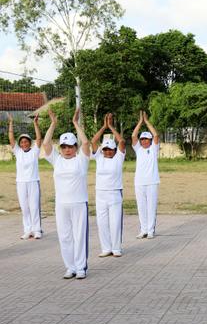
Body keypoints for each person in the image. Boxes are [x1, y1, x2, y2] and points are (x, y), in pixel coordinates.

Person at [43, 108, 90, 279]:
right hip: (61, 204)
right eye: (64, 147)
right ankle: (70, 267)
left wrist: (75, 124)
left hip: (79, 203)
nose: (67, 150)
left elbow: (86, 144)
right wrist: (53, 124)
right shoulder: (57, 160)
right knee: (64, 236)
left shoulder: (81, 160)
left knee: (79, 236)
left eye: (70, 146)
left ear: (75, 147)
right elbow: (46, 144)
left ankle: (81, 267)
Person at [90, 113, 126, 258]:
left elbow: (122, 141)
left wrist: (111, 127)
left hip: (115, 193)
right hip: (100, 194)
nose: (108, 151)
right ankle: (106, 248)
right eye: (105, 149)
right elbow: (93, 141)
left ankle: (116, 248)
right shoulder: (99, 157)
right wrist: (103, 126)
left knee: (115, 222)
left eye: (110, 149)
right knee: (102, 222)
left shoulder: (118, 158)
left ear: (114, 150)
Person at [8, 113, 42, 239]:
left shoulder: (34, 152)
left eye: (26, 141)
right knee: (25, 207)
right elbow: (11, 139)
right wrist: (11, 122)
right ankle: (28, 230)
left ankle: (37, 230)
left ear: (29, 142)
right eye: (22, 142)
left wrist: (35, 124)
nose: (24, 143)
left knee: (34, 206)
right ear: (20, 144)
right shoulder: (17, 152)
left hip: (33, 181)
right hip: (21, 182)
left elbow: (39, 139)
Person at [132, 110, 160, 239]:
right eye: (142, 139)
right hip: (139, 182)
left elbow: (155, 135)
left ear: (149, 140)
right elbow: (133, 136)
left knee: (151, 207)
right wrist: (139, 122)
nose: (143, 141)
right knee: (141, 207)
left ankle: (150, 230)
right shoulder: (138, 149)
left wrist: (147, 122)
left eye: (146, 139)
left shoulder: (153, 149)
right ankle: (143, 230)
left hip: (152, 182)